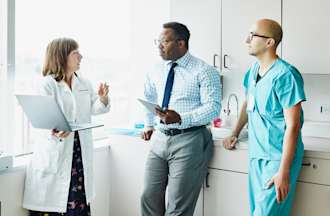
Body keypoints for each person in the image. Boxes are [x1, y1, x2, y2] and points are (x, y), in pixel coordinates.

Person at [223, 19, 306, 216]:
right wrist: (234, 132)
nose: (246, 40)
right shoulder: (253, 72)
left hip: (278, 158)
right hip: (256, 156)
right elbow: (247, 103)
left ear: (269, 42)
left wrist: (284, 171)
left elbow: (293, 126)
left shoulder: (286, 74)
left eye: (252, 35)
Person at [140, 22, 222, 215]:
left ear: (181, 43)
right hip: (159, 139)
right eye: (158, 41)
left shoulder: (204, 71)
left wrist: (180, 119)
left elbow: (213, 108)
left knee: (178, 206)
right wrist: (149, 125)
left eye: (164, 41)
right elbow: (149, 98)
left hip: (189, 139)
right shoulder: (155, 70)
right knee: (148, 197)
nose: (159, 46)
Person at [22, 38, 110, 216]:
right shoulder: (46, 84)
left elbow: (95, 109)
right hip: (57, 150)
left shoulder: (84, 83)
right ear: (62, 56)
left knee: (77, 206)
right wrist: (54, 129)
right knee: (53, 206)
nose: (81, 56)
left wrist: (103, 99)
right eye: (75, 52)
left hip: (78, 152)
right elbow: (40, 118)